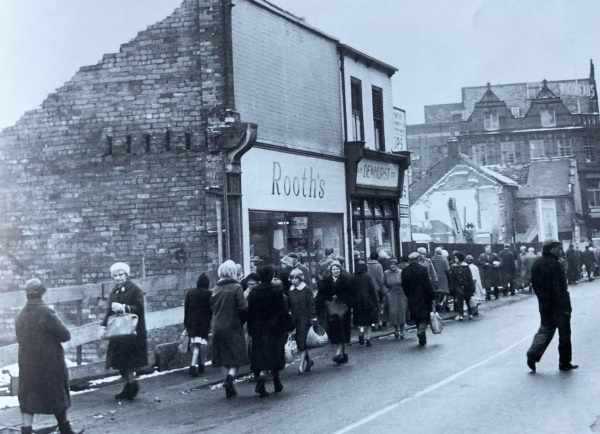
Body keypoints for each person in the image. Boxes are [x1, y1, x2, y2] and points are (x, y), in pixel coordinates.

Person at [16, 278, 83, 434]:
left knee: (28, 395)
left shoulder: (20, 314)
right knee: (57, 393)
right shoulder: (47, 312)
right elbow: (65, 335)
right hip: (50, 361)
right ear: (42, 293)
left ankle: (26, 431)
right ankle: (65, 429)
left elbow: (20, 339)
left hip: (28, 363)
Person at [526, 240, 578, 372]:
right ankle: (564, 362)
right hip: (560, 305)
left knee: (546, 329)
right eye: (558, 248)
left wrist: (543, 300)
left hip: (545, 304)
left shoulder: (537, 263)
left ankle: (533, 353)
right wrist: (565, 305)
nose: (560, 251)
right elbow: (560, 287)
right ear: (552, 249)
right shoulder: (555, 264)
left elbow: (535, 285)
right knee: (564, 333)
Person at [101, 262, 148, 401]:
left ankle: (132, 385)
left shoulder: (134, 290)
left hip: (131, 331)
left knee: (129, 362)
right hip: (117, 331)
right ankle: (127, 386)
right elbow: (109, 311)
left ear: (127, 275)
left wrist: (124, 307)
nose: (118, 278)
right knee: (120, 362)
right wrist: (103, 326)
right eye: (115, 275)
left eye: (120, 275)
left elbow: (139, 307)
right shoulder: (114, 291)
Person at [247, 265, 290, 397]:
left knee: (262, 355)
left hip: (259, 328)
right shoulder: (276, 291)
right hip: (275, 328)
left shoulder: (253, 292)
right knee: (275, 354)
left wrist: (250, 327)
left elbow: (250, 312)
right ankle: (271, 381)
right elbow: (283, 310)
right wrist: (288, 325)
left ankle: (266, 379)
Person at [211, 260, 248, 398]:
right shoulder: (236, 287)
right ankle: (230, 378)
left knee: (224, 356)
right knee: (236, 356)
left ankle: (227, 380)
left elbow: (212, 307)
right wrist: (242, 320)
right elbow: (243, 307)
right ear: (233, 272)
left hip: (217, 326)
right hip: (232, 326)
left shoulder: (216, 288)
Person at [315, 260, 353, 364]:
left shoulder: (346, 280)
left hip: (343, 310)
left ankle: (338, 353)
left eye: (337, 269)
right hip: (332, 311)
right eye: (333, 269)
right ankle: (343, 353)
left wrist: (340, 297)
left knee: (343, 330)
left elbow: (351, 294)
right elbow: (321, 294)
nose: (335, 271)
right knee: (336, 331)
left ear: (340, 270)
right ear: (331, 271)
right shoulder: (327, 281)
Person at [401, 252, 435, 346]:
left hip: (412, 297)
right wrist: (432, 296)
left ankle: (419, 330)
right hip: (424, 297)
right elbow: (427, 284)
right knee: (425, 317)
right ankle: (421, 331)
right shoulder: (423, 269)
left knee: (416, 316)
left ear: (410, 260)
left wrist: (408, 294)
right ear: (418, 259)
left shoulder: (405, 271)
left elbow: (404, 286)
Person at [287, 268, 317, 374]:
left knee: (301, 341)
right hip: (294, 319)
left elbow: (311, 304)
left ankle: (301, 366)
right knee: (300, 342)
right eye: (292, 278)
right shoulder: (290, 291)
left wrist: (313, 317)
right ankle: (309, 361)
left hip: (304, 318)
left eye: (296, 278)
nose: (294, 281)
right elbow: (288, 305)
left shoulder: (306, 289)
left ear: (300, 279)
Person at [184, 273, 212, 377]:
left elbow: (186, 309)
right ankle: (199, 365)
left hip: (192, 322)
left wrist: (186, 323)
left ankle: (195, 365)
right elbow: (210, 310)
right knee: (203, 344)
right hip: (203, 323)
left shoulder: (190, 293)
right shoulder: (209, 294)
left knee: (195, 345)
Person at [351, 261, 379, 347]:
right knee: (369, 322)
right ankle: (368, 339)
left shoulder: (352, 277)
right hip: (368, 302)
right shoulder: (368, 277)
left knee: (361, 321)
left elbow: (350, 291)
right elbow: (373, 290)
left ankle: (361, 332)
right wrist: (376, 302)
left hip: (357, 303)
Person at [383, 257, 408, 339]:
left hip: (401, 294)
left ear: (397, 265)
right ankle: (396, 329)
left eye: (394, 264)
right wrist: (387, 292)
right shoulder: (386, 273)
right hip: (391, 294)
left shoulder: (401, 272)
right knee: (393, 313)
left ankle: (402, 331)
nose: (392, 266)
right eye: (391, 264)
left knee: (402, 312)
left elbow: (405, 282)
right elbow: (383, 283)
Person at [449, 251, 476, 321]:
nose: (455, 259)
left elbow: (469, 277)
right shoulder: (453, 267)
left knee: (468, 300)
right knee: (459, 301)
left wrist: (472, 287)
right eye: (455, 258)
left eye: (456, 258)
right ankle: (461, 314)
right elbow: (452, 278)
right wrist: (452, 288)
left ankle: (470, 313)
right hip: (458, 287)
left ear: (460, 258)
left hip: (466, 286)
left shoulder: (466, 267)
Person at [366, 251, 386, 330]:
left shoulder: (366, 265)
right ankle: (379, 322)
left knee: (371, 306)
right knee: (379, 305)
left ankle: (372, 323)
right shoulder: (378, 266)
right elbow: (380, 279)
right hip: (377, 289)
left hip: (368, 289)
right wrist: (382, 289)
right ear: (377, 257)